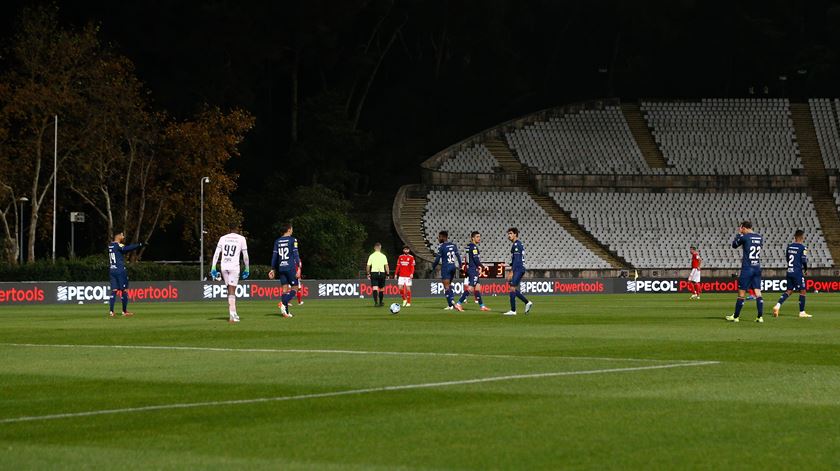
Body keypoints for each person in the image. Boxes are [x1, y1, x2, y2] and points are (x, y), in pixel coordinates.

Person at [209, 223, 249, 323]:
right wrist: (247, 268)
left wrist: (213, 267)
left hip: (224, 266)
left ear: (229, 229)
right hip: (234, 267)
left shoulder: (223, 238)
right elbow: (245, 256)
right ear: (237, 229)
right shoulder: (241, 239)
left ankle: (234, 312)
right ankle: (232, 315)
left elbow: (216, 253)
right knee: (232, 289)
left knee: (229, 289)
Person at [725, 221, 764, 323]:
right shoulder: (759, 237)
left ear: (744, 228)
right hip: (757, 267)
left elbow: (734, 245)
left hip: (747, 268)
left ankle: (736, 317)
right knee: (758, 293)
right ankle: (760, 317)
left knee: (741, 294)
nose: (740, 229)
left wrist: (739, 234)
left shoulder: (744, 236)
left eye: (741, 228)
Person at [773, 229, 812, 318]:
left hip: (789, 271)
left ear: (795, 237)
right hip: (797, 272)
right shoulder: (803, 248)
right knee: (803, 291)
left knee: (789, 291)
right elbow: (804, 260)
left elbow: (787, 259)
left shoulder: (789, 246)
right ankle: (802, 312)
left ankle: (777, 306)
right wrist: (805, 269)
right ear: (802, 238)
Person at [107, 232, 143, 318]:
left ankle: (111, 312)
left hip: (112, 270)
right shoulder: (118, 245)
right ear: (118, 236)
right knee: (124, 290)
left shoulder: (110, 245)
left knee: (114, 290)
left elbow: (119, 252)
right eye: (122, 235)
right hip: (120, 270)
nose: (123, 237)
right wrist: (139, 245)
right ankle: (124, 311)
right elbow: (126, 248)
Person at [268, 223, 299, 318]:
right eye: (292, 229)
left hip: (281, 267)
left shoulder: (277, 241)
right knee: (295, 288)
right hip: (290, 267)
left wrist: (272, 269)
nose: (292, 230)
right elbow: (295, 254)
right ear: (289, 229)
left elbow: (274, 256)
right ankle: (283, 302)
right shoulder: (293, 240)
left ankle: (285, 312)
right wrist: (298, 267)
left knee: (285, 289)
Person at [455, 231, 490, 312]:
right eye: (477, 237)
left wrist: (466, 268)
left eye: (479, 236)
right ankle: (458, 304)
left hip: (471, 269)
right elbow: (476, 260)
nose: (479, 238)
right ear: (472, 238)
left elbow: (466, 259)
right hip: (473, 270)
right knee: (470, 288)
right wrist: (483, 267)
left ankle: (482, 306)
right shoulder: (473, 247)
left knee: (477, 288)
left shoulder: (468, 247)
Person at [503, 227, 532, 316]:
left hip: (518, 268)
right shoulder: (518, 244)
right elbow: (516, 259)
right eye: (508, 234)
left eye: (511, 233)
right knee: (513, 288)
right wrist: (508, 265)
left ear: (515, 234)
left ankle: (513, 310)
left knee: (512, 288)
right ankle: (527, 302)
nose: (509, 235)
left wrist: (511, 272)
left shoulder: (516, 245)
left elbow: (517, 260)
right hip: (519, 268)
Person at [431, 231, 461, 310]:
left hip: (446, 267)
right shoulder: (453, 245)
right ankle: (451, 301)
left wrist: (433, 266)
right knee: (449, 285)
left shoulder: (441, 246)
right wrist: (460, 266)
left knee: (446, 287)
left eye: (439, 237)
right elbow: (458, 256)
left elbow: (437, 259)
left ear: (443, 237)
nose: (438, 238)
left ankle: (451, 304)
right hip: (453, 267)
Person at [366, 242, 390, 307]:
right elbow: (386, 266)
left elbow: (368, 266)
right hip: (382, 273)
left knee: (375, 288)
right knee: (381, 288)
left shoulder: (371, 256)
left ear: (374, 248)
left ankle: (376, 303)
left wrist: (368, 274)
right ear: (380, 247)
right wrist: (387, 274)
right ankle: (381, 302)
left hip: (374, 273)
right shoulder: (383, 256)